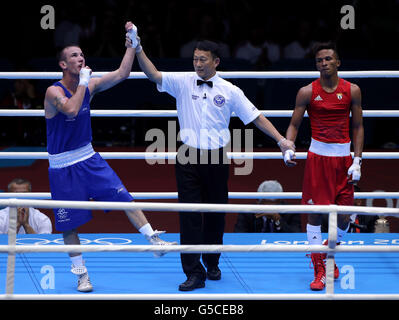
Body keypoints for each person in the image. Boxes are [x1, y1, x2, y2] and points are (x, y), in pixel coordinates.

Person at [131, 29, 295, 291]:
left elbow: (255, 117)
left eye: (202, 59)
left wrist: (280, 140)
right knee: (190, 216)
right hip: (187, 156)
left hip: (217, 157)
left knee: (216, 214)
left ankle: (212, 261)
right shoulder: (183, 81)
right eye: (195, 59)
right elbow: (153, 74)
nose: (197, 64)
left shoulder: (230, 90)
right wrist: (138, 48)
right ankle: (194, 272)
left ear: (216, 61)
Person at [43, 21, 176, 293]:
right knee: (69, 225)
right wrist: (83, 83)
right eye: (73, 56)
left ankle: (153, 240)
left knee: (122, 196)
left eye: (81, 55)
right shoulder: (53, 92)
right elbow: (70, 110)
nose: (80, 59)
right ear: (63, 65)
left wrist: (132, 42)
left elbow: (123, 73)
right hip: (62, 166)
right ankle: (81, 275)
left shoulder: (88, 85)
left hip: (88, 157)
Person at [285, 41, 364, 291]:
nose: (324, 63)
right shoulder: (306, 92)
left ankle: (329, 256)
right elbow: (294, 125)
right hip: (318, 157)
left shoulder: (352, 90)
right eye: (320, 60)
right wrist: (288, 146)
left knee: (344, 216)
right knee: (315, 213)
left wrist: (358, 160)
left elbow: (359, 126)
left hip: (343, 158)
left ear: (337, 62)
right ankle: (321, 266)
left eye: (328, 59)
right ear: (316, 64)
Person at [234, 180, 302, 233]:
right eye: (266, 203)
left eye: (273, 203)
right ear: (258, 201)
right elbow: (238, 236)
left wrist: (278, 220)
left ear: (280, 201)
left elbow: (297, 236)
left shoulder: (291, 212)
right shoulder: (247, 212)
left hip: (282, 248)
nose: (269, 208)